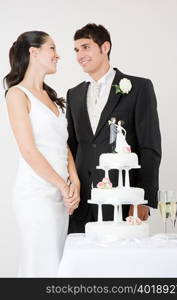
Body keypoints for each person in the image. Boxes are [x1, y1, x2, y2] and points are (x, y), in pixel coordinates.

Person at [66, 23, 161, 233]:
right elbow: (71, 149)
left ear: (105, 47)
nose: (79, 55)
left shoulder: (139, 88)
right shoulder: (73, 94)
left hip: (123, 203)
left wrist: (142, 199)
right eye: (76, 50)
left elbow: (150, 148)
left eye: (85, 47)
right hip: (80, 205)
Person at [3, 31, 80, 277]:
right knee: (40, 265)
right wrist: (61, 184)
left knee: (58, 265)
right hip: (36, 195)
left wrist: (74, 181)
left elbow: (63, 144)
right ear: (33, 52)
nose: (58, 55)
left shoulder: (52, 98)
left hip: (61, 197)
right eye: (52, 48)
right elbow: (28, 150)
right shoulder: (17, 95)